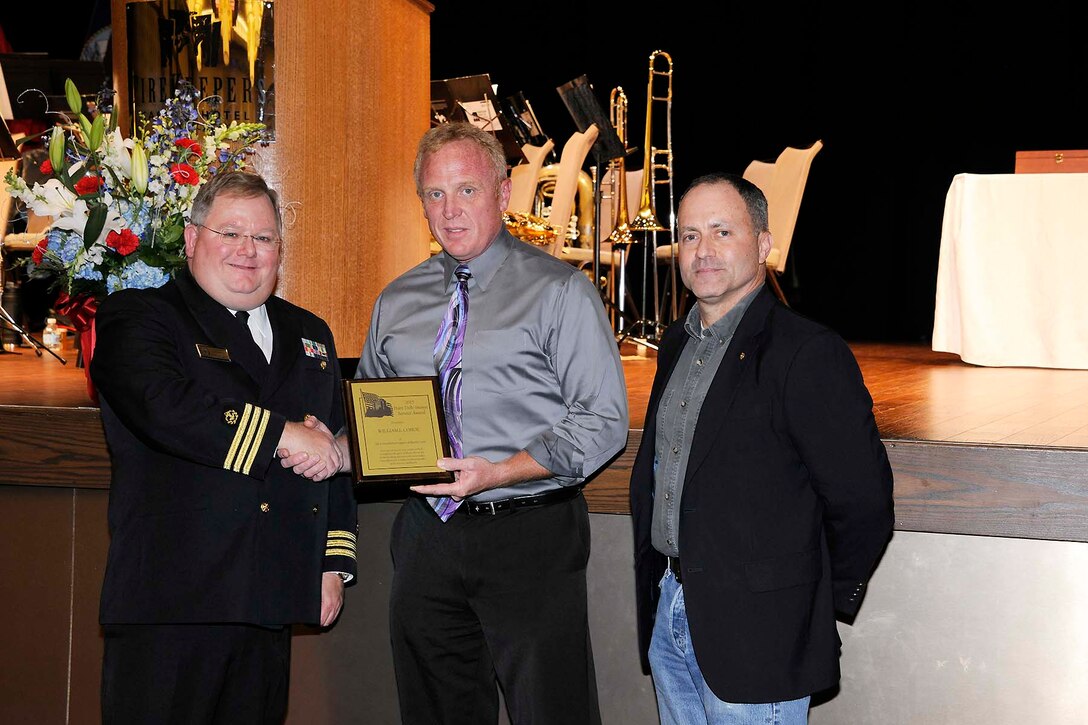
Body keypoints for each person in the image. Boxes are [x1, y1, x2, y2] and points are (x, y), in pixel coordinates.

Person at [356, 122, 628, 724]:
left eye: (467, 191)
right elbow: (372, 410)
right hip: (427, 532)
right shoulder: (397, 300)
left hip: (527, 532)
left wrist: (500, 472)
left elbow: (603, 419)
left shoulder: (559, 290)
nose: (449, 212)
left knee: (551, 712)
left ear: (503, 194)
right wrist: (331, 442)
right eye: (434, 194)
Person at [91, 171, 358, 724]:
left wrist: (330, 563)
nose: (247, 250)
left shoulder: (310, 334)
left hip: (268, 599)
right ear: (192, 240)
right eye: (230, 233)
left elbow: (332, 449)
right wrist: (284, 435)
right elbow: (168, 408)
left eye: (263, 238)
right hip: (172, 604)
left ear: (279, 250)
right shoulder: (141, 317)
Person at [629, 173, 894, 724]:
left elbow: (863, 501)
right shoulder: (676, 344)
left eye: (722, 231)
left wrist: (804, 601)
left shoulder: (807, 353)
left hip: (760, 638)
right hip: (672, 615)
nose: (703, 250)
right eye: (690, 235)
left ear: (765, 245)